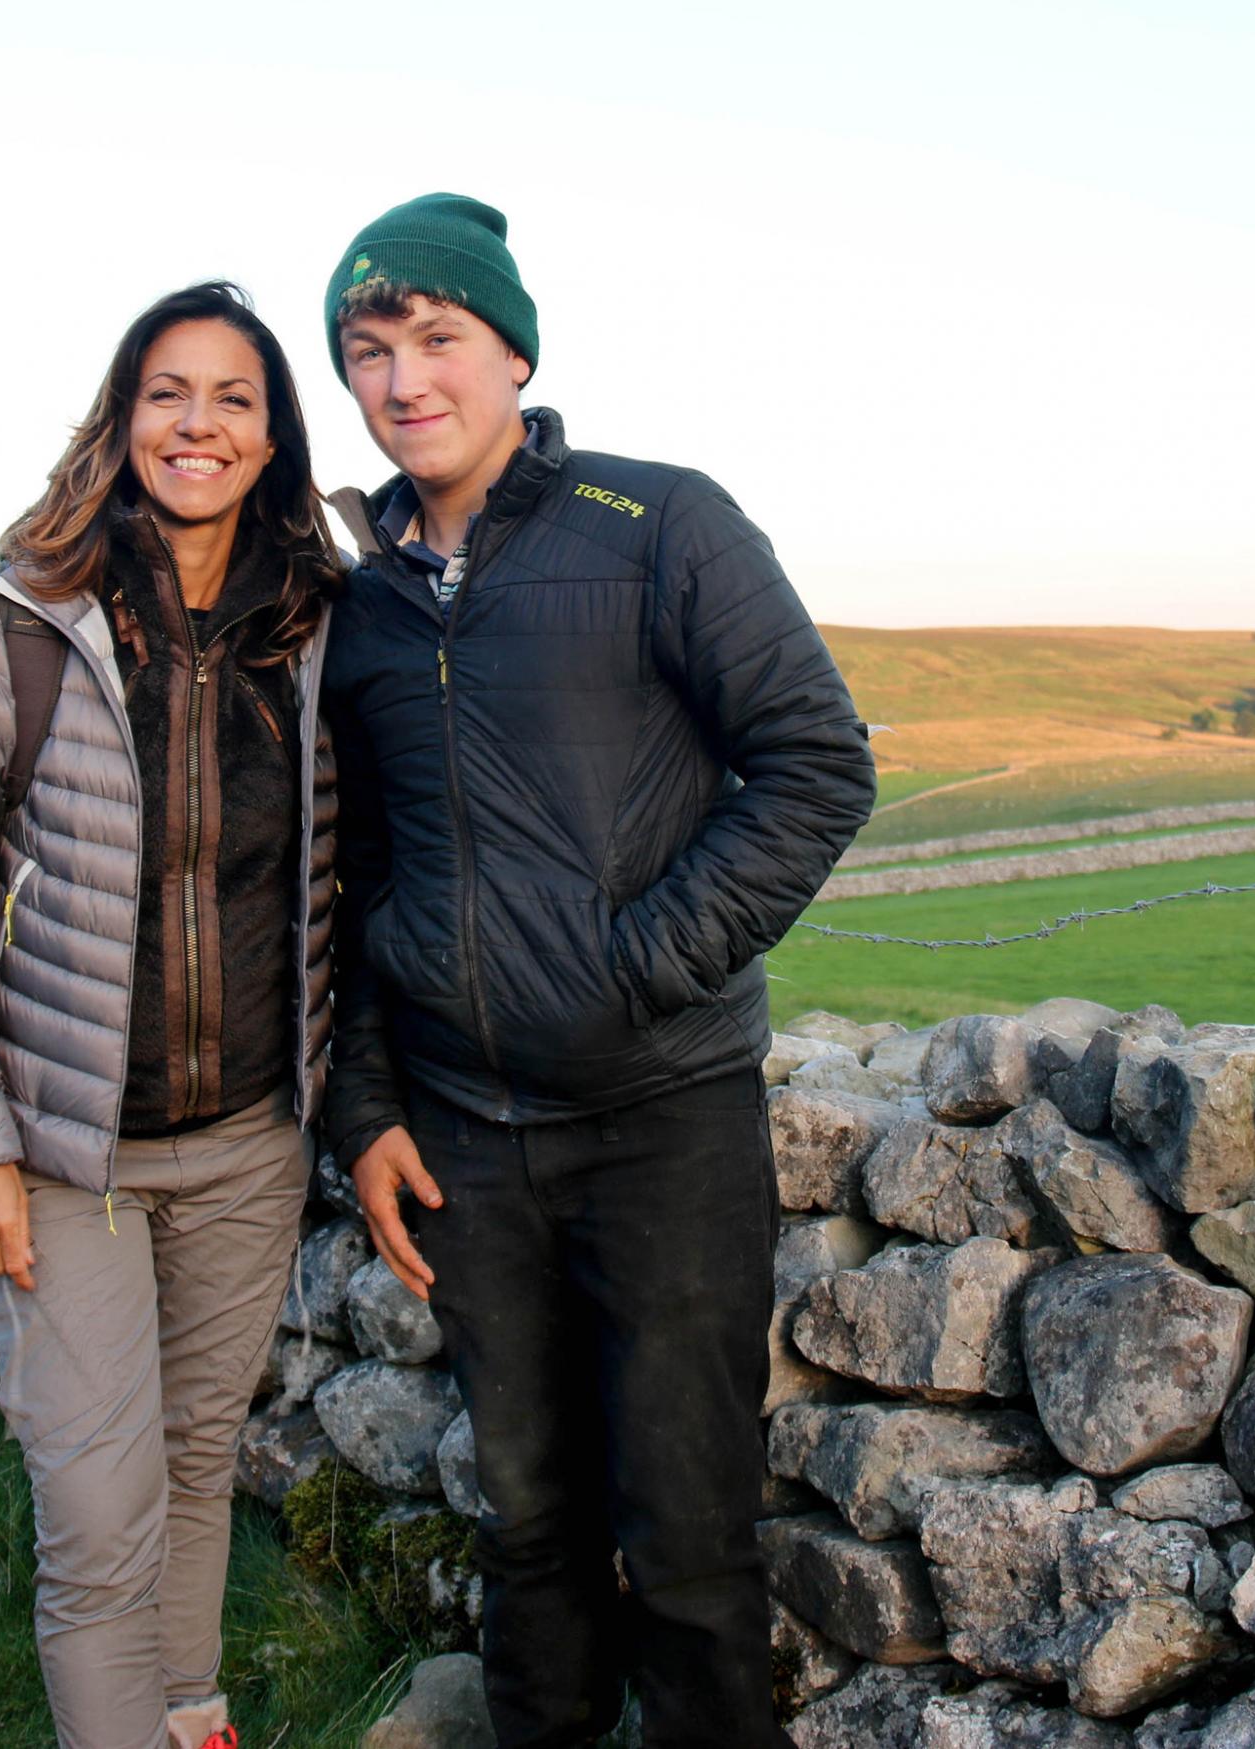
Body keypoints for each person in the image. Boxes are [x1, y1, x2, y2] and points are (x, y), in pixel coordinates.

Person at [316, 194, 878, 1749]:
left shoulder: (662, 525)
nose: (405, 379)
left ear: (513, 350)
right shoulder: (356, 611)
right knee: (530, 1531)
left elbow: (817, 765)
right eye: (369, 352)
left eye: (438, 338)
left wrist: (640, 966)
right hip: (469, 1142)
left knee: (690, 1543)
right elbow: (363, 882)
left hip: (663, 1120)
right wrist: (365, 1103)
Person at [0, 281, 340, 1749]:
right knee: (95, 1502)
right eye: (168, 392)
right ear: (121, 418)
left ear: (272, 442)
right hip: (65, 1152)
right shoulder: (16, 620)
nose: (197, 423)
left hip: (251, 1141)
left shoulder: (321, 630)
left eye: (232, 400)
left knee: (197, 1463)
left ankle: (188, 1718)